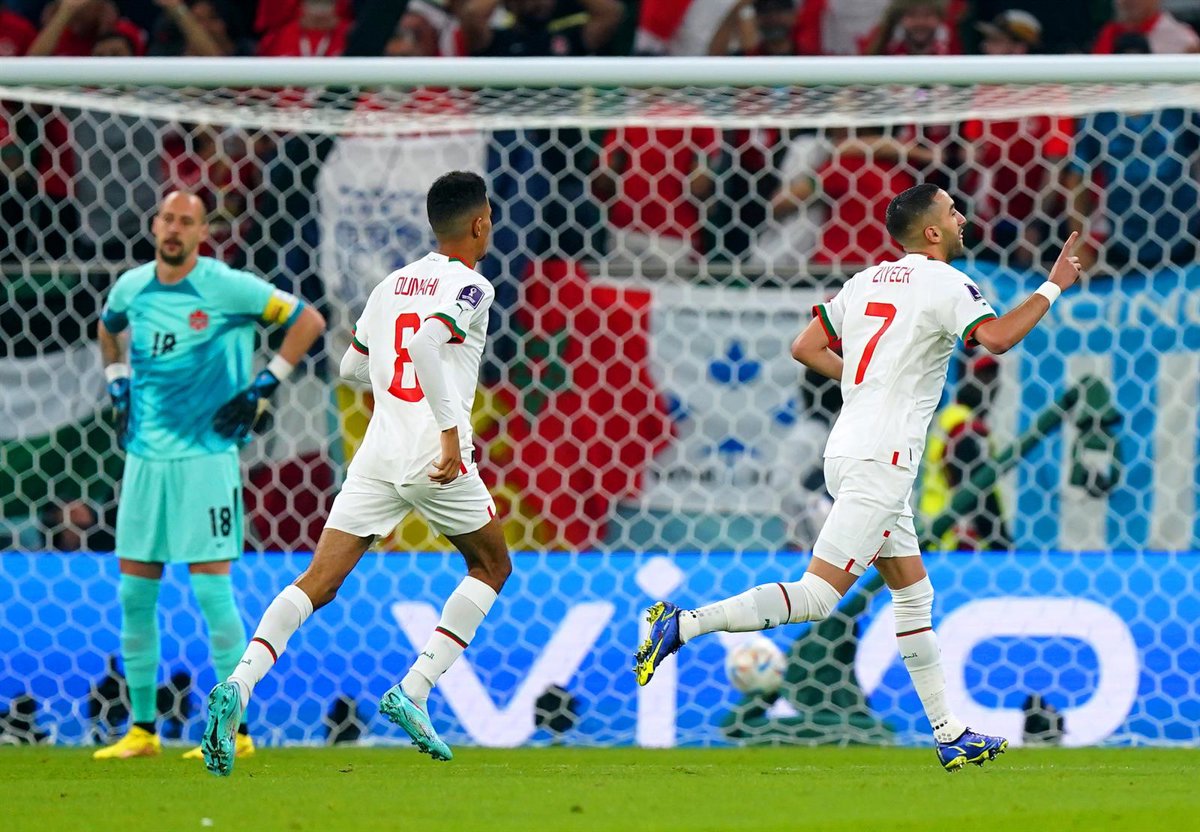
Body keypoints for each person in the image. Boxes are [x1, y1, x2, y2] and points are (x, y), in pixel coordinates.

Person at [635, 183, 1084, 772]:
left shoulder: (866, 280)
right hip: (881, 461)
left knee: (914, 595)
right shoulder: (948, 283)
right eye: (952, 212)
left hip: (850, 448)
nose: (962, 218)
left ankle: (950, 733)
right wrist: (1052, 286)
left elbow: (805, 345)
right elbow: (996, 339)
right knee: (817, 597)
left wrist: (862, 383)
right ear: (931, 231)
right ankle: (683, 623)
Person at [201, 171, 512, 776]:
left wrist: (397, 388)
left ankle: (239, 684)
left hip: (377, 454)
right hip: (433, 455)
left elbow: (350, 367)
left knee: (319, 580)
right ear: (479, 224)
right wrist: (449, 431)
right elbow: (425, 346)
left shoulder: (389, 285)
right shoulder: (473, 286)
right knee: (491, 566)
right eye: (490, 220)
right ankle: (415, 689)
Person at [93, 191, 327, 760]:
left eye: (187, 222)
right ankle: (142, 732)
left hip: (206, 459)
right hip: (145, 460)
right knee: (134, 593)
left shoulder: (226, 286)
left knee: (211, 590)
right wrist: (118, 382)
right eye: (168, 219)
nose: (174, 229)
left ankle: (234, 733)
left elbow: (308, 320)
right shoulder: (132, 287)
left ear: (203, 233)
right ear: (155, 225)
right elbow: (108, 328)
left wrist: (264, 385)